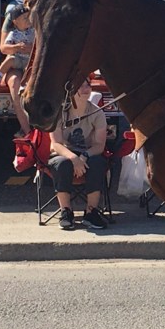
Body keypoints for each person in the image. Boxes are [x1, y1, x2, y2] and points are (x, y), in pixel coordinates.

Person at [48, 79, 111, 231]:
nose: (85, 89)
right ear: (70, 91)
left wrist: (83, 156)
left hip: (87, 154)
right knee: (62, 164)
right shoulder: (60, 112)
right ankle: (66, 211)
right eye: (80, 86)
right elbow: (55, 143)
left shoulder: (97, 112)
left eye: (87, 85)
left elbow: (99, 145)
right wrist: (74, 158)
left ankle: (91, 212)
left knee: (98, 163)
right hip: (63, 152)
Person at [0, 4, 34, 136]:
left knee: (31, 84)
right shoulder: (13, 30)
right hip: (17, 60)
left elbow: (42, 45)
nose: (28, 19)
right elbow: (4, 48)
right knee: (14, 82)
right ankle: (28, 132)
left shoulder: (34, 30)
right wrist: (17, 47)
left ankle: (39, 131)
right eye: (25, 17)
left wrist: (32, 48)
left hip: (31, 62)